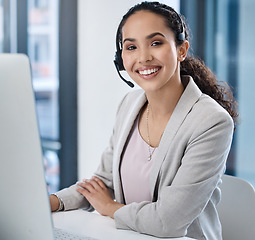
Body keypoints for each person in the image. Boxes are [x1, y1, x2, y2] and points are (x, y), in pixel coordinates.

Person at [49, 2, 238, 239]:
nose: (143, 57)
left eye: (156, 43)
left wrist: (110, 208)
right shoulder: (129, 105)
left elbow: (169, 222)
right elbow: (103, 183)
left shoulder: (211, 122)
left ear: (181, 50)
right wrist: (53, 202)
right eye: (131, 47)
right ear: (121, 59)